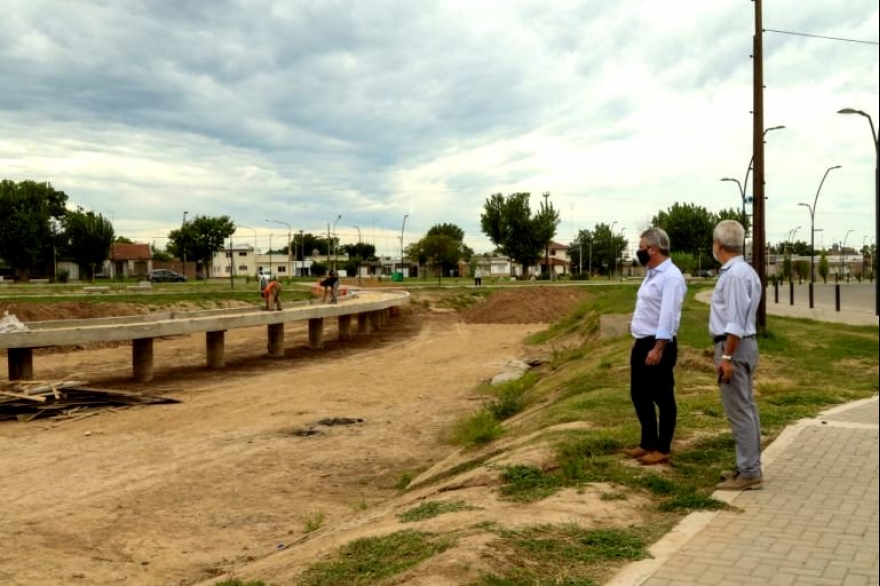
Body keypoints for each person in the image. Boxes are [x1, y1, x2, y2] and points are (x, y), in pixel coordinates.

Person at [623, 227, 687, 466]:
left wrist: (658, 348)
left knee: (662, 396)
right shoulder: (653, 273)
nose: (639, 252)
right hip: (643, 341)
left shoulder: (670, 277)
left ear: (653, 249)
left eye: (641, 248)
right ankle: (647, 442)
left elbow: (668, 316)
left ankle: (663, 448)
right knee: (639, 393)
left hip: (658, 343)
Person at [709, 219, 763, 490]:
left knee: (739, 411)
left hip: (734, 347)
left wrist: (727, 358)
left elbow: (734, 321)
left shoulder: (734, 275)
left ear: (718, 244)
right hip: (744, 345)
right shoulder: (746, 271)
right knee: (747, 407)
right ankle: (748, 465)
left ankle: (749, 471)